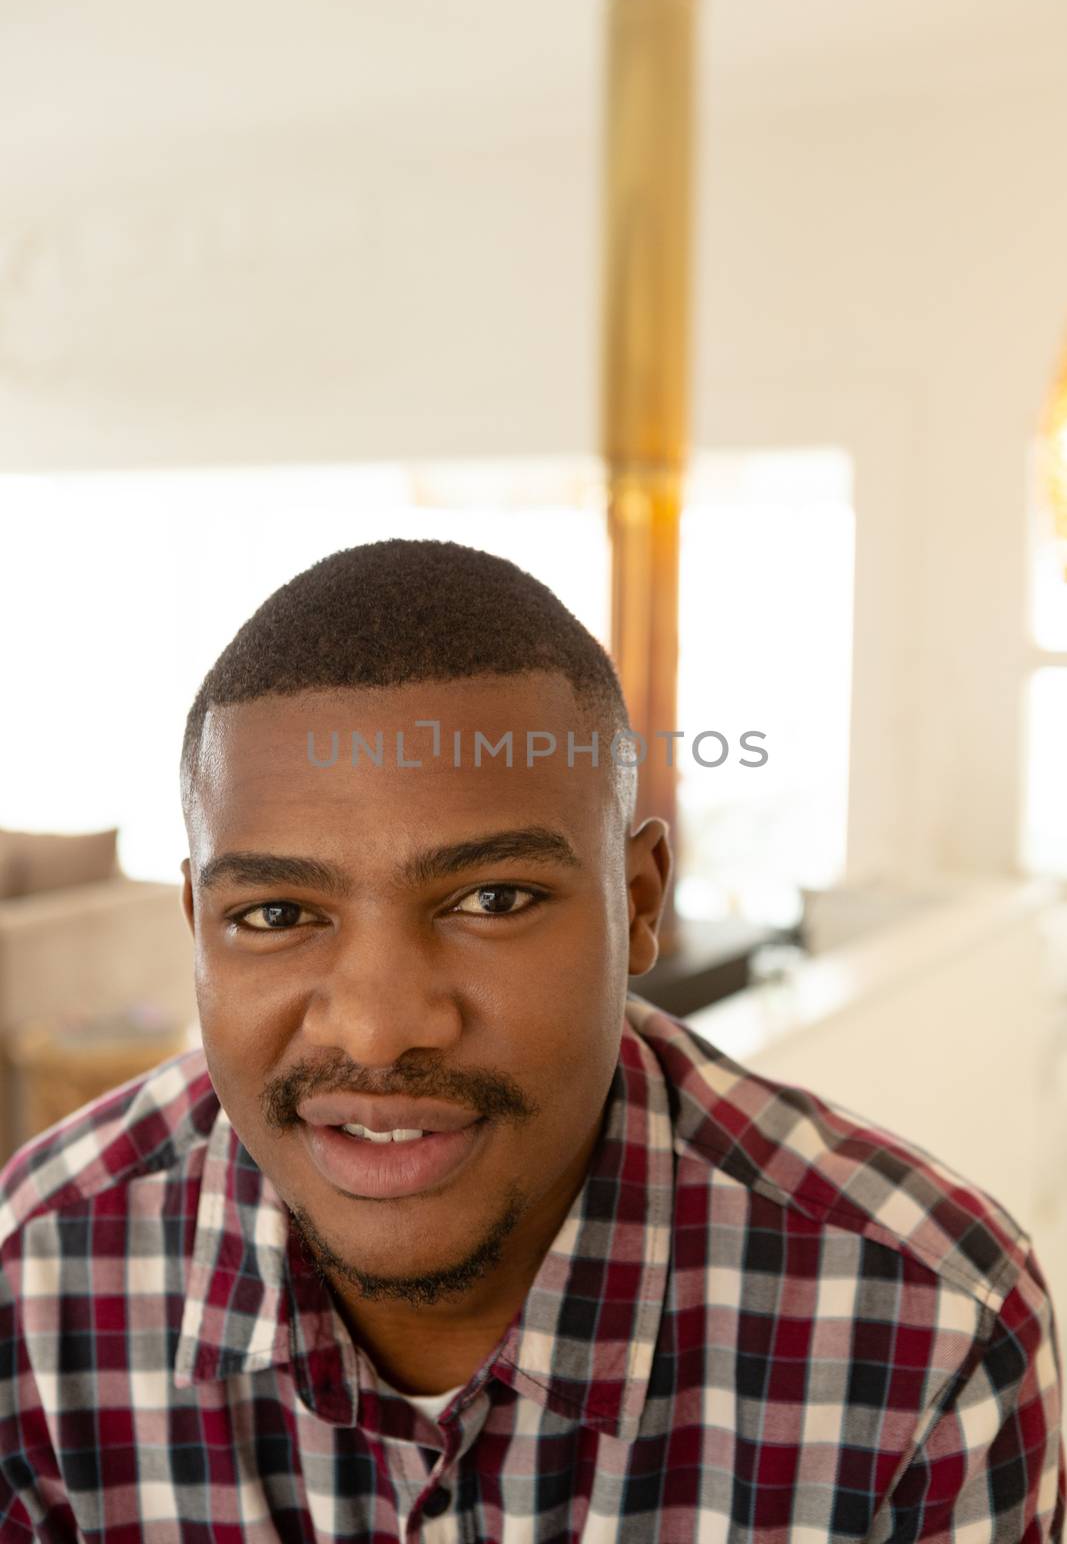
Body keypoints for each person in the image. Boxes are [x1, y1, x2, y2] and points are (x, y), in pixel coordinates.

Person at [1, 537, 1063, 1542]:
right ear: (196, 927)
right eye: (276, 914)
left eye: (493, 897)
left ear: (637, 900)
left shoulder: (927, 1329)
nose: (377, 1028)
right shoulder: (37, 1279)